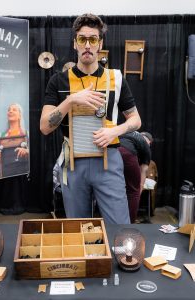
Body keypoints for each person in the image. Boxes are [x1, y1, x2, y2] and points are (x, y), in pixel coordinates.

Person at [40, 13, 141, 224]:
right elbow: (44, 127)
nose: (87, 45)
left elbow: (135, 120)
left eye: (93, 39)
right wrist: (70, 101)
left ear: (99, 43)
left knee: (119, 227)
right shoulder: (58, 81)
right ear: (75, 43)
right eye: (82, 39)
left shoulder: (116, 79)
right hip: (73, 163)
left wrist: (114, 131)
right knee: (78, 229)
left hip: (109, 160)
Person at [118, 131, 153, 223]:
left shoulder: (127, 132)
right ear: (149, 142)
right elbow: (143, 171)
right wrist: (138, 191)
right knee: (133, 192)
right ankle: (129, 223)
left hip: (109, 151)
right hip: (127, 153)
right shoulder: (146, 147)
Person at [0, 103, 29, 177]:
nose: (10, 111)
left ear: (20, 115)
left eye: (14, 110)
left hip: (23, 176)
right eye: (9, 110)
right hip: (5, 177)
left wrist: (27, 152)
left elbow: (36, 157)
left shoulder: (27, 135)